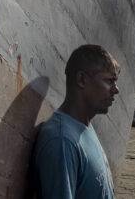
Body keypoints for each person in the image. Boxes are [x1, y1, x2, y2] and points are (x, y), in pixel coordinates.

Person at [32, 44, 120, 198]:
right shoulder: (62, 141)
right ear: (81, 80)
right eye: (109, 81)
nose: (116, 89)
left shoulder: (83, 126)